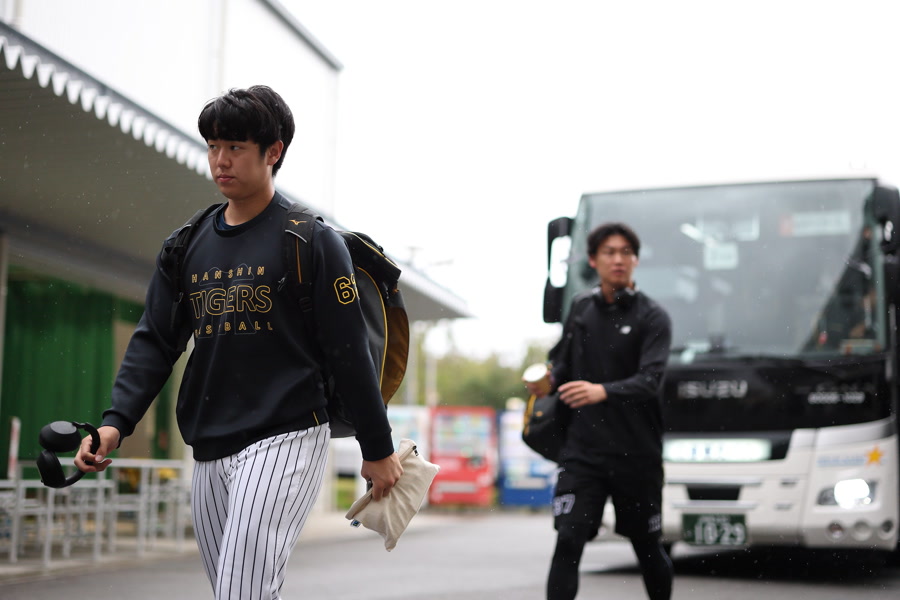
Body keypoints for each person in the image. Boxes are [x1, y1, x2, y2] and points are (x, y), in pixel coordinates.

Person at [75, 85, 402, 599]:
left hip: (287, 434)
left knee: (241, 591)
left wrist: (377, 447)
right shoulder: (186, 244)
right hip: (209, 441)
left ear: (273, 152)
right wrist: (116, 423)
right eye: (213, 146)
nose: (220, 160)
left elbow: (349, 352)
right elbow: (155, 341)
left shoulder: (312, 241)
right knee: (236, 590)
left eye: (235, 147)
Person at [525, 222, 673, 600]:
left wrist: (601, 391)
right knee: (568, 541)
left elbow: (650, 381)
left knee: (647, 546)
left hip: (636, 453)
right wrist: (548, 380)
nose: (618, 259)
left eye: (626, 252)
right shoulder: (581, 307)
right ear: (593, 260)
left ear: (636, 260)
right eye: (609, 252)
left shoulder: (653, 316)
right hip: (583, 453)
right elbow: (563, 364)